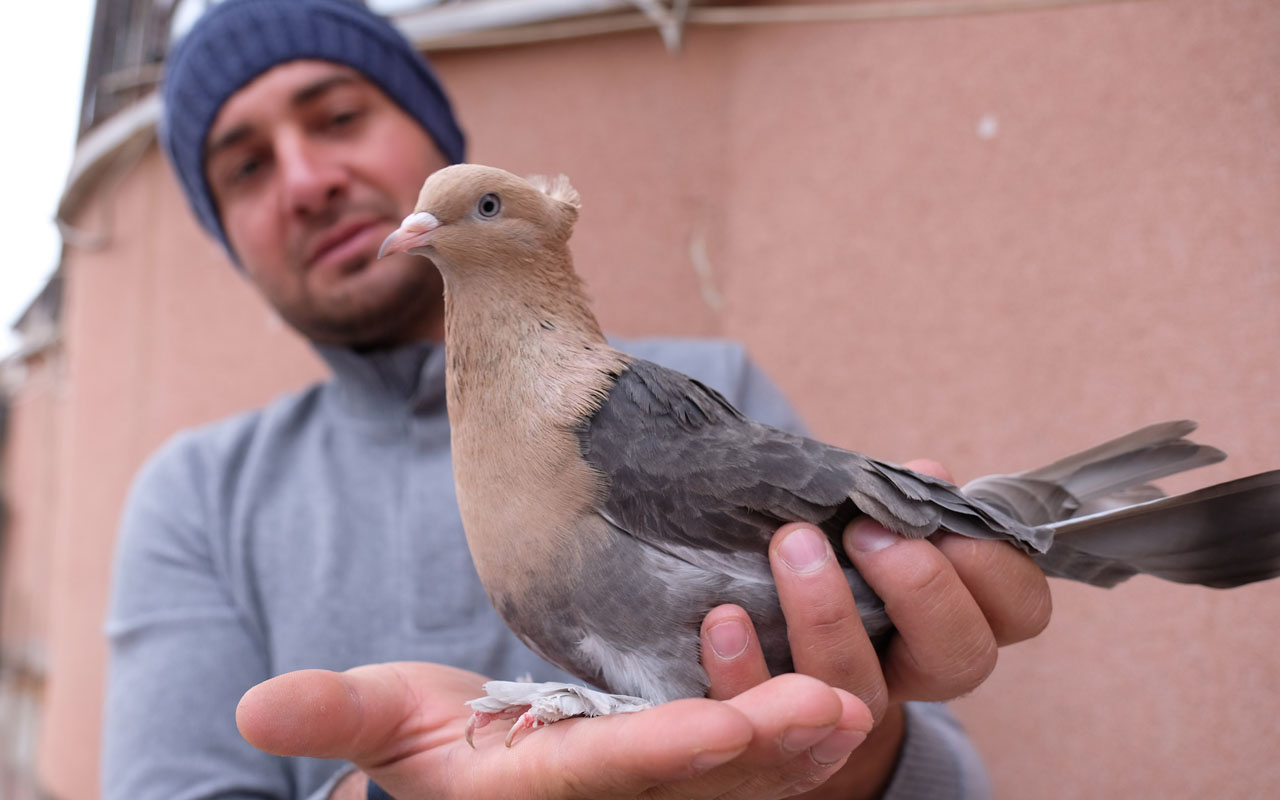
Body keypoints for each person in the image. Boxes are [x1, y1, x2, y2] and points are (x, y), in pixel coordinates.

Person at [102, 1, 1052, 798]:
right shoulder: (195, 498)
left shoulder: (686, 391)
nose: (307, 180)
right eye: (247, 167)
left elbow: (938, 774)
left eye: (339, 115)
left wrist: (833, 755)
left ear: (439, 137)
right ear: (226, 234)